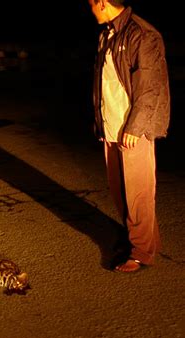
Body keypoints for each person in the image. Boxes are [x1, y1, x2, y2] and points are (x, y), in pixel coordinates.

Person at [88, 0, 170, 272]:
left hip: (133, 129)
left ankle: (142, 253)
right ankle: (140, 241)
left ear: (102, 2)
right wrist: (101, 122)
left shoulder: (141, 34)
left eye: (91, 3)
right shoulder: (107, 34)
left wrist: (135, 127)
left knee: (139, 194)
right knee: (120, 192)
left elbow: (150, 86)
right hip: (111, 126)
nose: (89, 9)